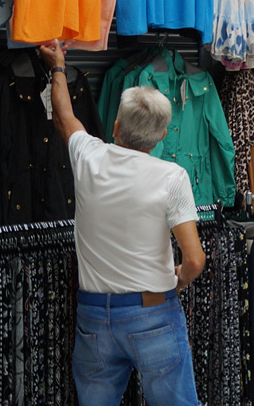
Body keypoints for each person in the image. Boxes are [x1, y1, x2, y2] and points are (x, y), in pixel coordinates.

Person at [40, 39, 205, 406]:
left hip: (94, 317)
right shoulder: (172, 177)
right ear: (162, 136)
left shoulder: (89, 157)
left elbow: (64, 116)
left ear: (115, 126)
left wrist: (58, 65)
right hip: (153, 314)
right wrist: (176, 280)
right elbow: (195, 260)